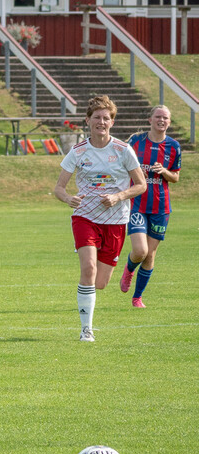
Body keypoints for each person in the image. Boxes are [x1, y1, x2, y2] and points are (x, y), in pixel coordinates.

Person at [53, 95, 146, 342]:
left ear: (112, 122)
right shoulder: (78, 151)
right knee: (88, 268)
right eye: (97, 117)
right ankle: (86, 329)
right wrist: (68, 198)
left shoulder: (123, 150)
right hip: (85, 217)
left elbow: (141, 185)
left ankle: (89, 297)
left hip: (115, 221)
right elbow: (59, 188)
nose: (101, 122)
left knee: (100, 282)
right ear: (88, 120)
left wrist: (118, 196)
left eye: (106, 118)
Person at [118, 105, 181, 308]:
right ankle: (129, 270)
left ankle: (137, 297)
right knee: (140, 251)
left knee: (150, 254)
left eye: (165, 118)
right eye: (158, 117)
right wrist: (136, 173)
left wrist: (164, 171)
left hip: (160, 207)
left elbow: (175, 177)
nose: (162, 120)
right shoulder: (136, 142)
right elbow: (121, 165)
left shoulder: (174, 146)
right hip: (137, 203)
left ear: (169, 122)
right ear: (150, 120)